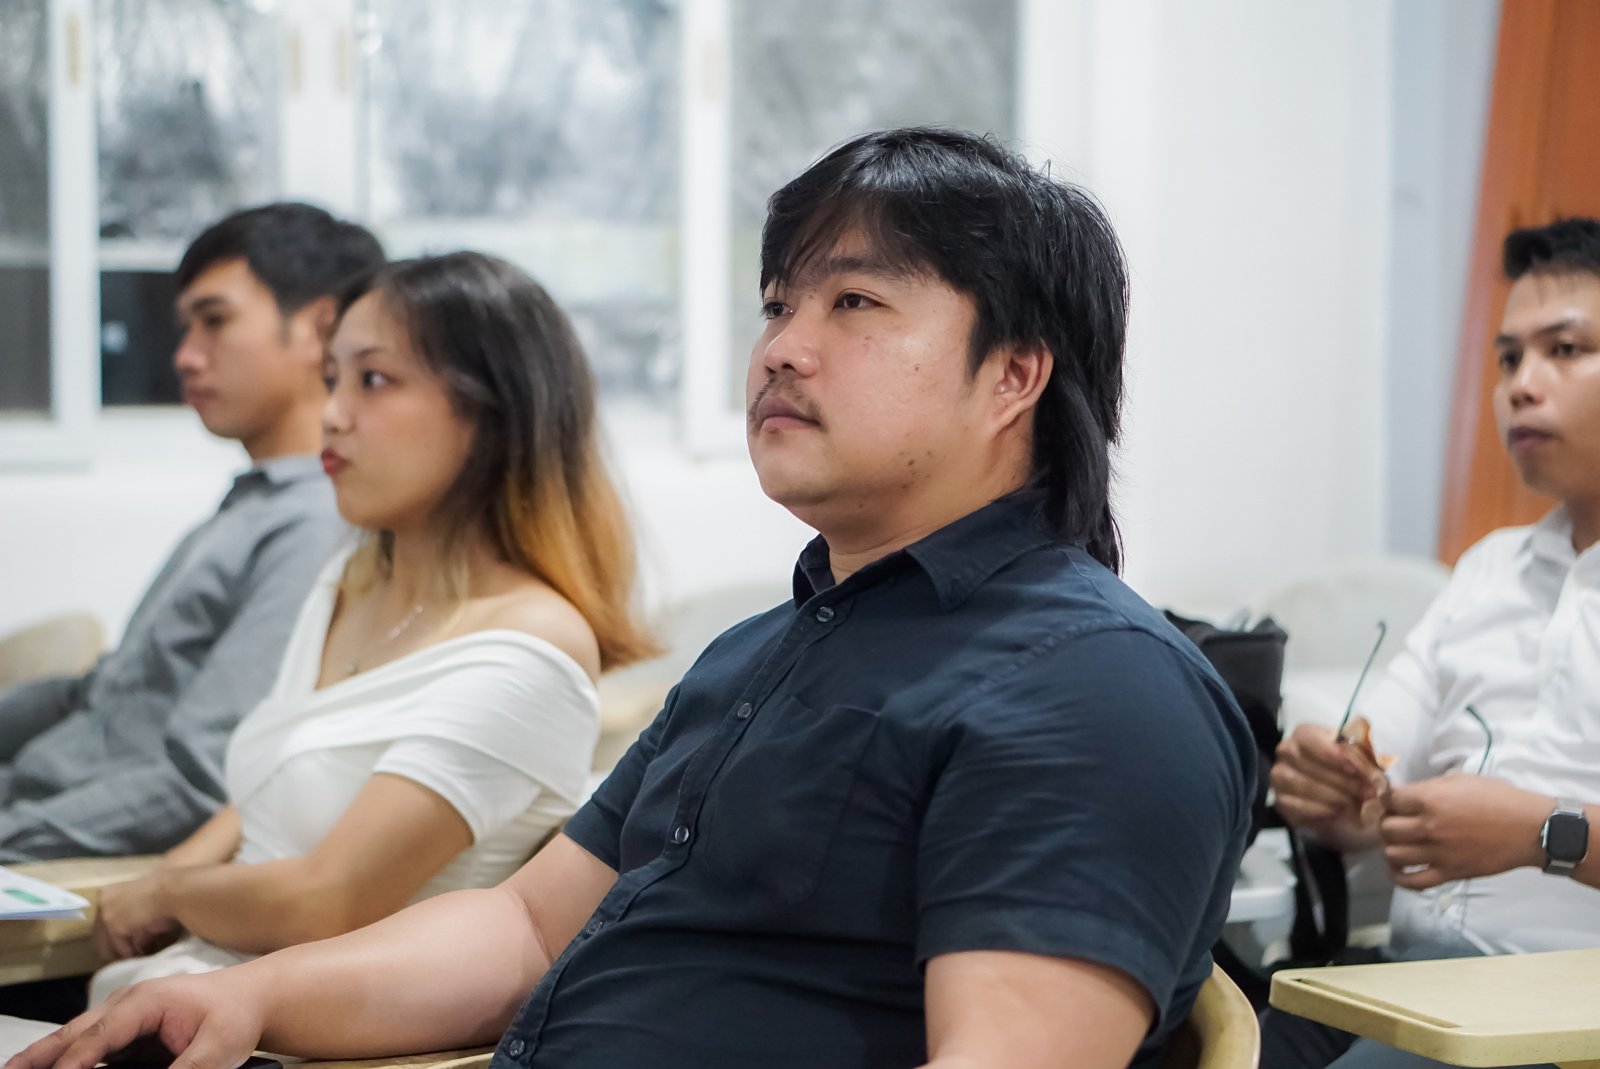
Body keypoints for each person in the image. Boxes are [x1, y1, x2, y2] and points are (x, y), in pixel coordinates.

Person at [12, 128, 1253, 1069]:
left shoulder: (1091, 687)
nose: (781, 346)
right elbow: (521, 932)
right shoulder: (760, 652)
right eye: (778, 305)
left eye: (855, 303)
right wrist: (246, 996)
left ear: (1014, 376)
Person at [73, 251, 655, 1012]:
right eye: (332, 377)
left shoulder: (532, 647)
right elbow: (281, 779)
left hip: (301, 1030)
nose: (333, 413)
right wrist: (154, 885)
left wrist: (170, 893)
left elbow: (329, 901)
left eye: (373, 380)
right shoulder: (347, 582)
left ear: (491, 412)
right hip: (185, 990)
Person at [1264, 217, 1600, 1069]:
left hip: (1563, 1018)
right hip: (1412, 978)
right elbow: (1377, 772)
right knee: (1199, 1034)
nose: (1522, 385)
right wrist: (1335, 788)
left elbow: (1531, 830)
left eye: (1565, 349)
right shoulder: (1489, 571)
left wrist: (1546, 833)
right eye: (1509, 358)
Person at [0, 204, 383, 862]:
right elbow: (99, 691)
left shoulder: (316, 523)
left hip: (62, 845)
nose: (184, 356)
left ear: (321, 330)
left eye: (215, 320)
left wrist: (11, 835)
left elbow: (200, 780)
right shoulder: (248, 508)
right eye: (185, 328)